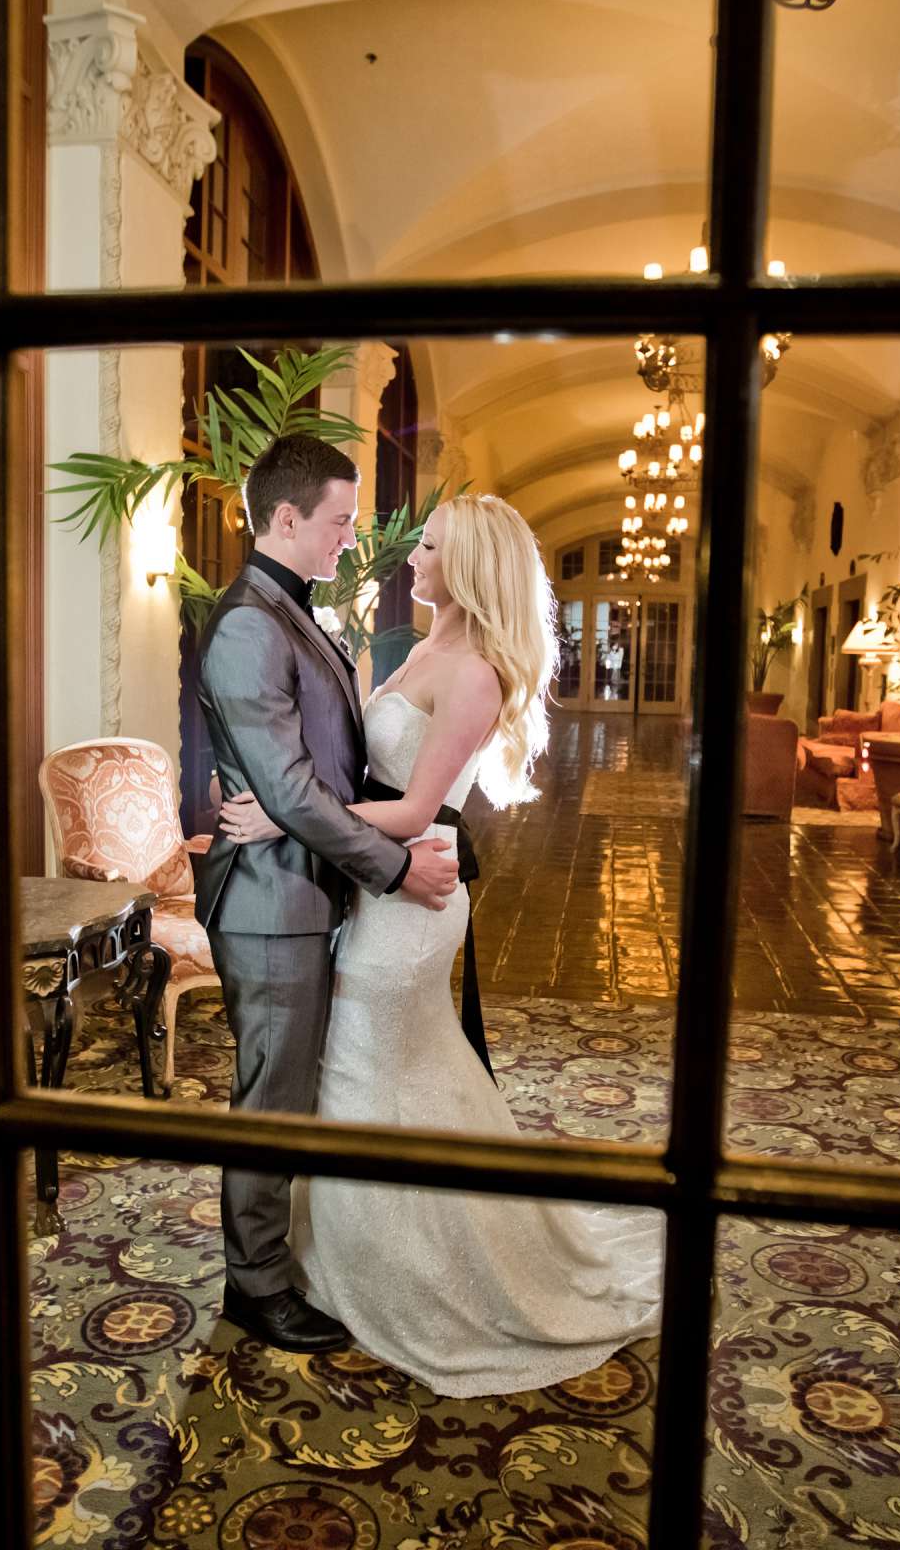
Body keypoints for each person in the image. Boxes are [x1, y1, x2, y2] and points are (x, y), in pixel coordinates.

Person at [218, 492, 664, 1397]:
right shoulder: (426, 647)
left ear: (468, 567)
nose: (407, 558)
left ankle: (434, 1274)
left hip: (408, 900)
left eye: (427, 547)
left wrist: (279, 817)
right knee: (364, 1067)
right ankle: (336, 1258)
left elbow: (421, 810)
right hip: (379, 880)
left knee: (376, 1063)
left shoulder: (473, 673)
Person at [194, 434, 462, 1355]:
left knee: (293, 1087)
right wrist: (394, 867)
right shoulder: (245, 624)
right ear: (285, 518)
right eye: (341, 522)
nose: (354, 538)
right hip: (267, 903)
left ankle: (278, 1257)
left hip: (304, 887)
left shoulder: (294, 613)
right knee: (272, 1095)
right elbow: (289, 789)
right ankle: (253, 1283)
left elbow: (326, 774)